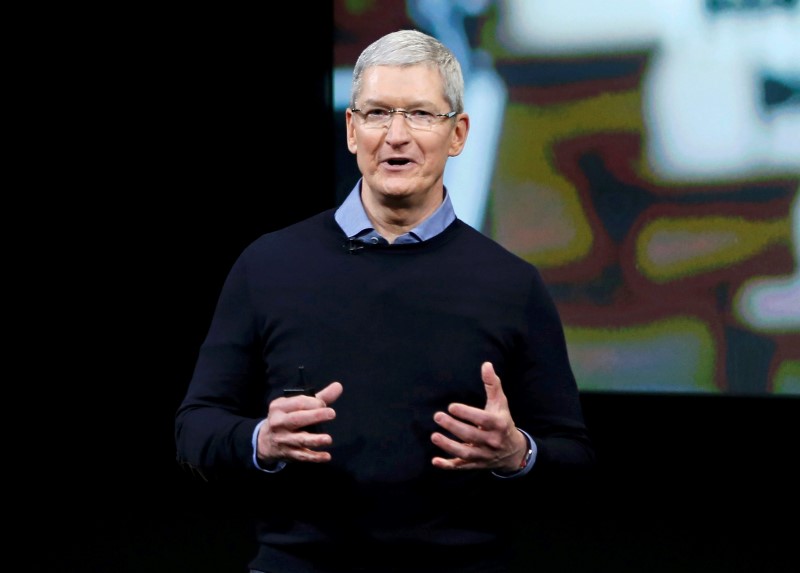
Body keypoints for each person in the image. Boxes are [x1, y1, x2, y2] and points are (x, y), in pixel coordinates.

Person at [175, 28, 595, 573]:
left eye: (420, 114)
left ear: (458, 133)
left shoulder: (513, 285)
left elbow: (573, 455)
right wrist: (261, 439)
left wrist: (518, 453)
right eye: (377, 113)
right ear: (352, 130)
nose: (396, 135)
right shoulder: (267, 265)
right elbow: (195, 429)